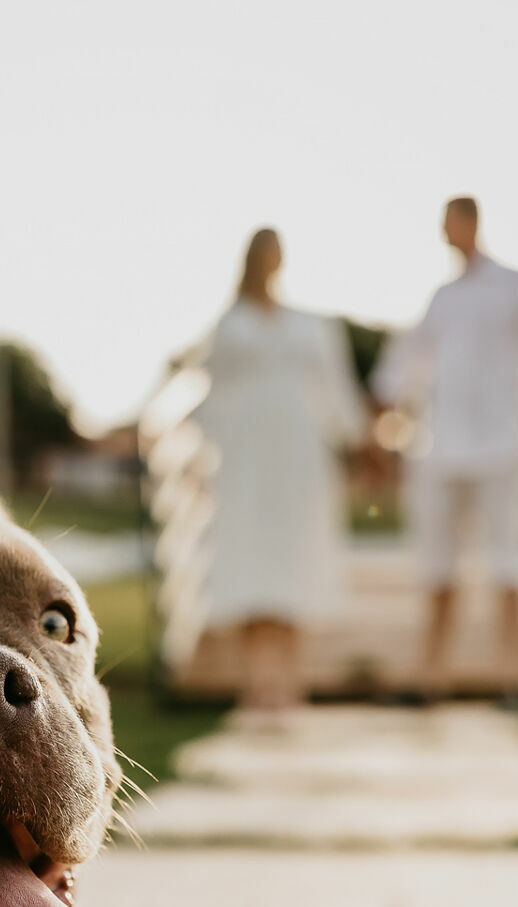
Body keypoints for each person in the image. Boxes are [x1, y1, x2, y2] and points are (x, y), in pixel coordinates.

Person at [371, 195, 518, 701]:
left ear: (471, 223)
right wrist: (381, 418)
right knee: (438, 564)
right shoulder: (443, 298)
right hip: (442, 448)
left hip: (503, 445)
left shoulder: (516, 287)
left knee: (508, 562)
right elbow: (405, 365)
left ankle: (514, 678)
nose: (444, 233)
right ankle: (431, 677)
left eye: (449, 223)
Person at [193, 227, 368, 711]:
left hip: (300, 452)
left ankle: (291, 682)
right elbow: (214, 393)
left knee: (296, 558)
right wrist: (202, 460)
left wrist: (360, 441)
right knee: (249, 557)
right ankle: (254, 683)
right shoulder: (231, 323)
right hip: (247, 454)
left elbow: (338, 389)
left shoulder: (312, 324)